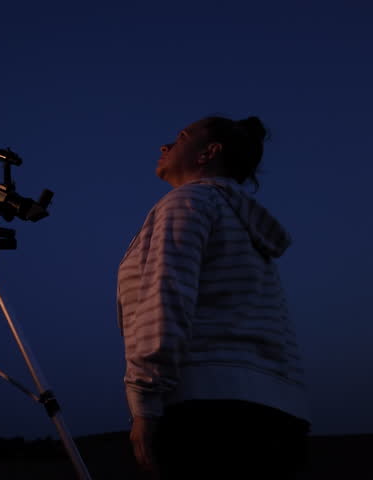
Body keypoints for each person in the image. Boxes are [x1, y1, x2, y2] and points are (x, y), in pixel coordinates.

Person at [117, 115, 311, 479]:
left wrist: (145, 403)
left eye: (181, 137)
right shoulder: (239, 219)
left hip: (208, 413)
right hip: (278, 414)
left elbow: (167, 301)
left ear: (208, 152)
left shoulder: (187, 202)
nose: (165, 145)